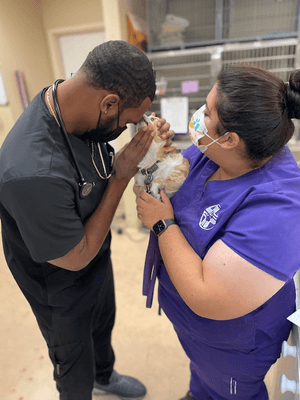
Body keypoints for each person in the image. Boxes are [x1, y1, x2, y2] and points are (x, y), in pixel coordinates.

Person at [0, 40, 174, 400]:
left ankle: (105, 376)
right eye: (126, 121)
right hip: (58, 281)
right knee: (73, 363)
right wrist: (122, 175)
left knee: (101, 325)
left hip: (96, 251)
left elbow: (98, 166)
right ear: (109, 103)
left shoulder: (74, 103)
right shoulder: (32, 171)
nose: (127, 128)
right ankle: (82, 387)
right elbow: (75, 256)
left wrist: (151, 144)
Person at [136, 64, 300, 400]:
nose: (199, 114)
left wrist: (163, 224)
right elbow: (170, 188)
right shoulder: (215, 154)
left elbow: (207, 295)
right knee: (203, 376)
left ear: (229, 138)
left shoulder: (279, 209)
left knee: (230, 391)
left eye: (207, 111)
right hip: (194, 330)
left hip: (233, 341)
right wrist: (158, 155)